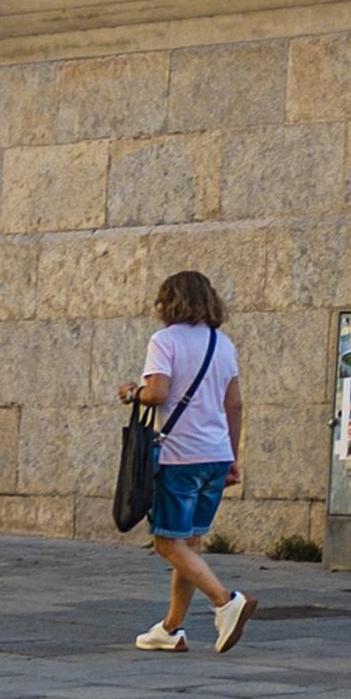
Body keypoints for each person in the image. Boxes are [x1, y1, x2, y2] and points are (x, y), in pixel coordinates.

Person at [121, 269, 249, 654]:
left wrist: (132, 392)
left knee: (166, 542)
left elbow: (157, 393)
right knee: (189, 543)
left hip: (180, 455)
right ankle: (171, 628)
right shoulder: (222, 344)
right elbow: (234, 403)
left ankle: (226, 602)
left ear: (167, 301)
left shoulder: (165, 340)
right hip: (216, 454)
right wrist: (233, 455)